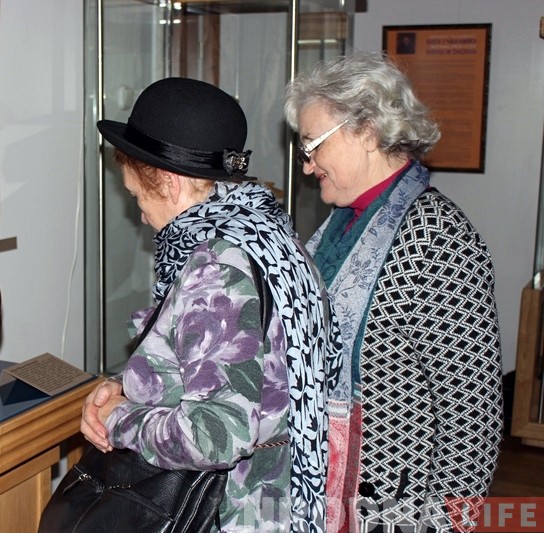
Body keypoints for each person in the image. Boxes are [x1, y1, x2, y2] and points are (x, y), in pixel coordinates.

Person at [80, 77, 342, 532]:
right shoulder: (267, 236)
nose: (140, 213)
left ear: (168, 182)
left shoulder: (219, 267)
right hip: (277, 502)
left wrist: (117, 418)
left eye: (138, 196)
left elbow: (214, 435)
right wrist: (131, 384)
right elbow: (242, 371)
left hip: (229, 512)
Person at [283, 51, 503, 532]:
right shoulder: (342, 222)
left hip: (394, 506)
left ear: (366, 130)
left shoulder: (437, 236)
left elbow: (471, 419)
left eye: (312, 145)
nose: (307, 166)